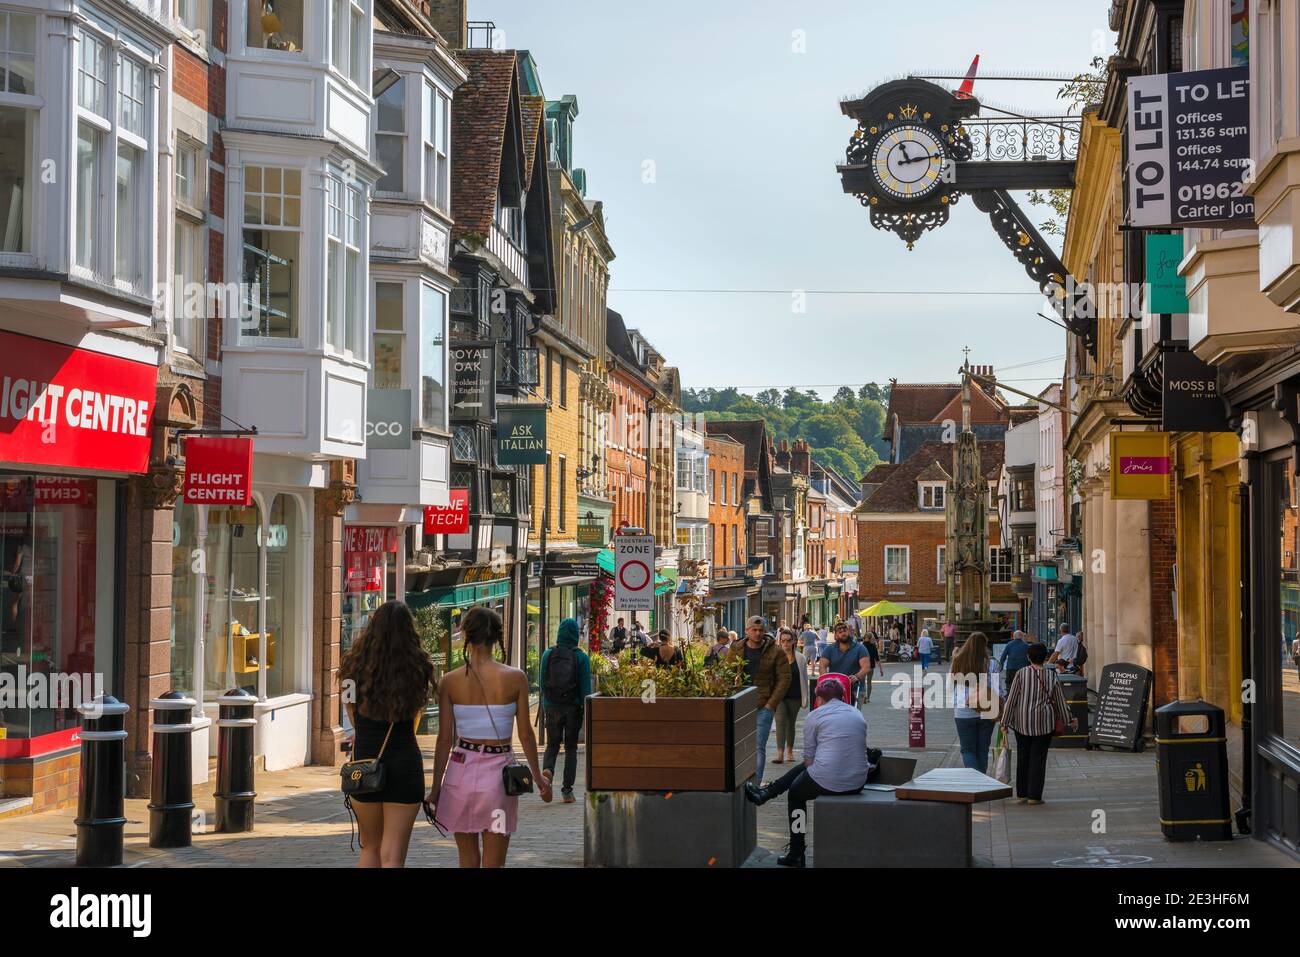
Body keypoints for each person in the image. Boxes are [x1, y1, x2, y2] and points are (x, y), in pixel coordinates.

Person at [428, 606, 551, 867]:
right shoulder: (515, 678)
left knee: (467, 859)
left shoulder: (449, 682)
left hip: (459, 774)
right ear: (497, 637)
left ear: (466, 637)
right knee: (494, 861)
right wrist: (537, 776)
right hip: (498, 777)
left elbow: (444, 740)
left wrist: (435, 788)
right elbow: (527, 735)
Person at [339, 600, 435, 868]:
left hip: (365, 763)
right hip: (405, 764)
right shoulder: (419, 667)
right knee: (393, 855)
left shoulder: (350, 667)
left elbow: (351, 713)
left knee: (370, 848)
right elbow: (417, 710)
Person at [744, 676, 869, 867]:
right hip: (858, 780)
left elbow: (809, 762)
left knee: (795, 793)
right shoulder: (857, 714)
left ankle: (796, 852)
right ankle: (766, 793)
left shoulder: (815, 716)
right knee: (807, 770)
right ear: (842, 696)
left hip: (829, 781)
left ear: (818, 698)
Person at [1000, 642, 1076, 805]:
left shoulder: (1021, 674)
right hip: (1044, 723)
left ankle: (1022, 793)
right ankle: (1034, 796)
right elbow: (1059, 700)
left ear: (1028, 657)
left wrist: (1004, 722)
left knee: (1023, 756)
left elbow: (1011, 699)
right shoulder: (1051, 676)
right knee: (1038, 759)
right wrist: (1069, 719)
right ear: (1045, 658)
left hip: (1021, 722)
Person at [728, 616, 790, 784]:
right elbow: (727, 674)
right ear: (747, 631)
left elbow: (784, 678)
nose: (757, 633)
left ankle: (756, 784)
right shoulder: (736, 649)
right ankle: (741, 781)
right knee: (739, 745)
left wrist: (771, 704)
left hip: (764, 706)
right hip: (740, 705)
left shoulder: (776, 651)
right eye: (754, 630)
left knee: (758, 747)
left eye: (761, 630)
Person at [539, 617, 591, 804]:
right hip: (573, 707)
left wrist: (547, 704)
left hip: (551, 706)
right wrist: (585, 710)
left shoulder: (548, 654)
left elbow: (543, 683)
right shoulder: (581, 657)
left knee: (552, 744)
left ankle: (548, 772)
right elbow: (586, 689)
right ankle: (567, 791)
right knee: (570, 748)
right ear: (576, 635)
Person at [951, 631, 1000, 773]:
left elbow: (952, 686)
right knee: (983, 750)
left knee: (967, 750)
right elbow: (997, 689)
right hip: (987, 710)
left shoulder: (957, 661)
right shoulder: (992, 663)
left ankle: (975, 782)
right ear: (984, 646)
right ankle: (981, 782)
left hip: (963, 711)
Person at [772, 628, 808, 765]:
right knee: (780, 721)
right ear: (779, 642)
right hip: (779, 696)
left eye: (788, 641)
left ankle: (790, 751)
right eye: (783, 641)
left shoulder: (800, 658)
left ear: (793, 641)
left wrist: (805, 698)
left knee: (790, 723)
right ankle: (780, 753)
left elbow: (804, 679)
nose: (786, 644)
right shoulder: (776, 657)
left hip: (795, 696)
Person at [817, 620, 871, 706]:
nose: (843, 633)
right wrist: (826, 680)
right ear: (836, 636)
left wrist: (857, 676)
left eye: (845, 630)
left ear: (849, 631)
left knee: (852, 716)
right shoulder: (829, 649)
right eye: (840, 631)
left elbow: (866, 667)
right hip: (834, 690)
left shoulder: (860, 648)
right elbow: (822, 666)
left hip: (854, 688)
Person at [999, 629, 1031, 697]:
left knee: (1009, 682)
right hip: (1022, 668)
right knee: (1022, 682)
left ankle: (1009, 695)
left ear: (1014, 637)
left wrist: (1001, 665)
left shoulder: (1009, 644)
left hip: (1011, 668)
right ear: (1022, 637)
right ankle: (1021, 695)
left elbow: (1003, 656)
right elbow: (1030, 657)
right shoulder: (1026, 645)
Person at [860, 630, 884, 704]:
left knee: (862, 682)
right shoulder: (873, 646)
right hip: (870, 667)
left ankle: (863, 697)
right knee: (869, 682)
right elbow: (877, 659)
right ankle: (868, 698)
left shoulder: (861, 646)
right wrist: (881, 669)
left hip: (863, 667)